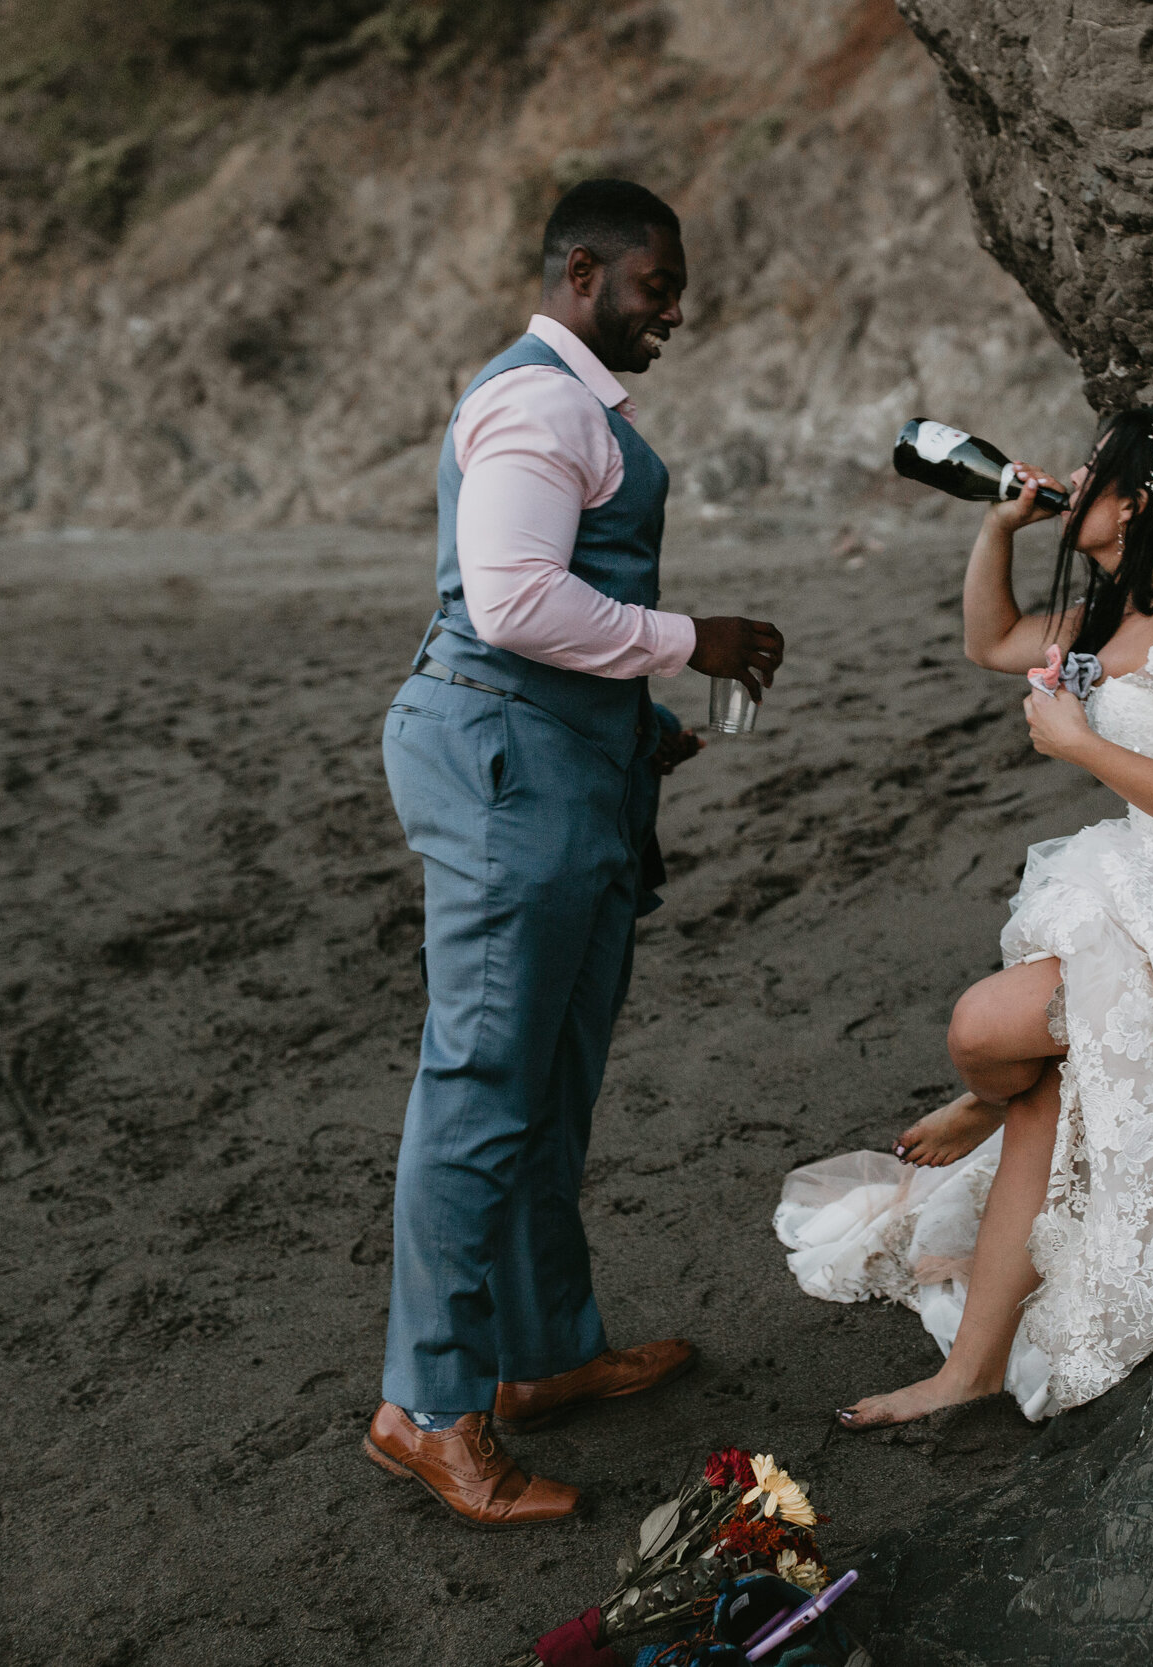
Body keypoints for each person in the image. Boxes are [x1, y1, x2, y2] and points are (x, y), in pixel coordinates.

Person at [774, 409, 1153, 1424]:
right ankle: (966, 1369)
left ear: (1132, 502)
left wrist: (1079, 745)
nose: (1066, 478)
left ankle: (983, 1101)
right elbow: (991, 641)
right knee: (1032, 1076)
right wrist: (999, 527)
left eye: (1089, 472)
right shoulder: (1116, 606)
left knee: (983, 1030)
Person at [365, 180, 785, 1525]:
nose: (675, 310)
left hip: (559, 764)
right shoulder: (539, 402)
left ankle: (542, 1353)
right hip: (504, 773)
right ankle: (427, 1407)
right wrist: (690, 638)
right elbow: (510, 599)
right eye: (657, 286)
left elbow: (545, 603)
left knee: (550, 1075)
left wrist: (640, 723)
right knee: (482, 1085)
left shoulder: (574, 406)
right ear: (585, 271)